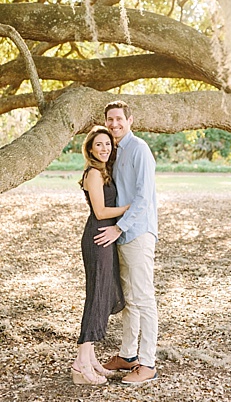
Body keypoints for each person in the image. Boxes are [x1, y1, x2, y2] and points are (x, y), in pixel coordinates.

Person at [94, 100, 159, 385]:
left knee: (143, 299)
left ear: (130, 120)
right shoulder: (114, 151)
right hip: (121, 233)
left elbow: (144, 198)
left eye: (119, 118)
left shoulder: (140, 149)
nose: (114, 124)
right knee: (129, 300)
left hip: (137, 232)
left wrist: (120, 228)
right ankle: (128, 355)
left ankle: (148, 364)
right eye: (110, 119)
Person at [72, 126, 128, 385]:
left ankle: (91, 358)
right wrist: (131, 206)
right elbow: (101, 211)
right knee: (96, 295)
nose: (104, 148)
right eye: (99, 145)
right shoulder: (94, 173)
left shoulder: (104, 171)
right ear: (90, 149)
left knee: (103, 293)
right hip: (98, 238)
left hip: (107, 237)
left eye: (107, 144)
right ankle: (80, 364)